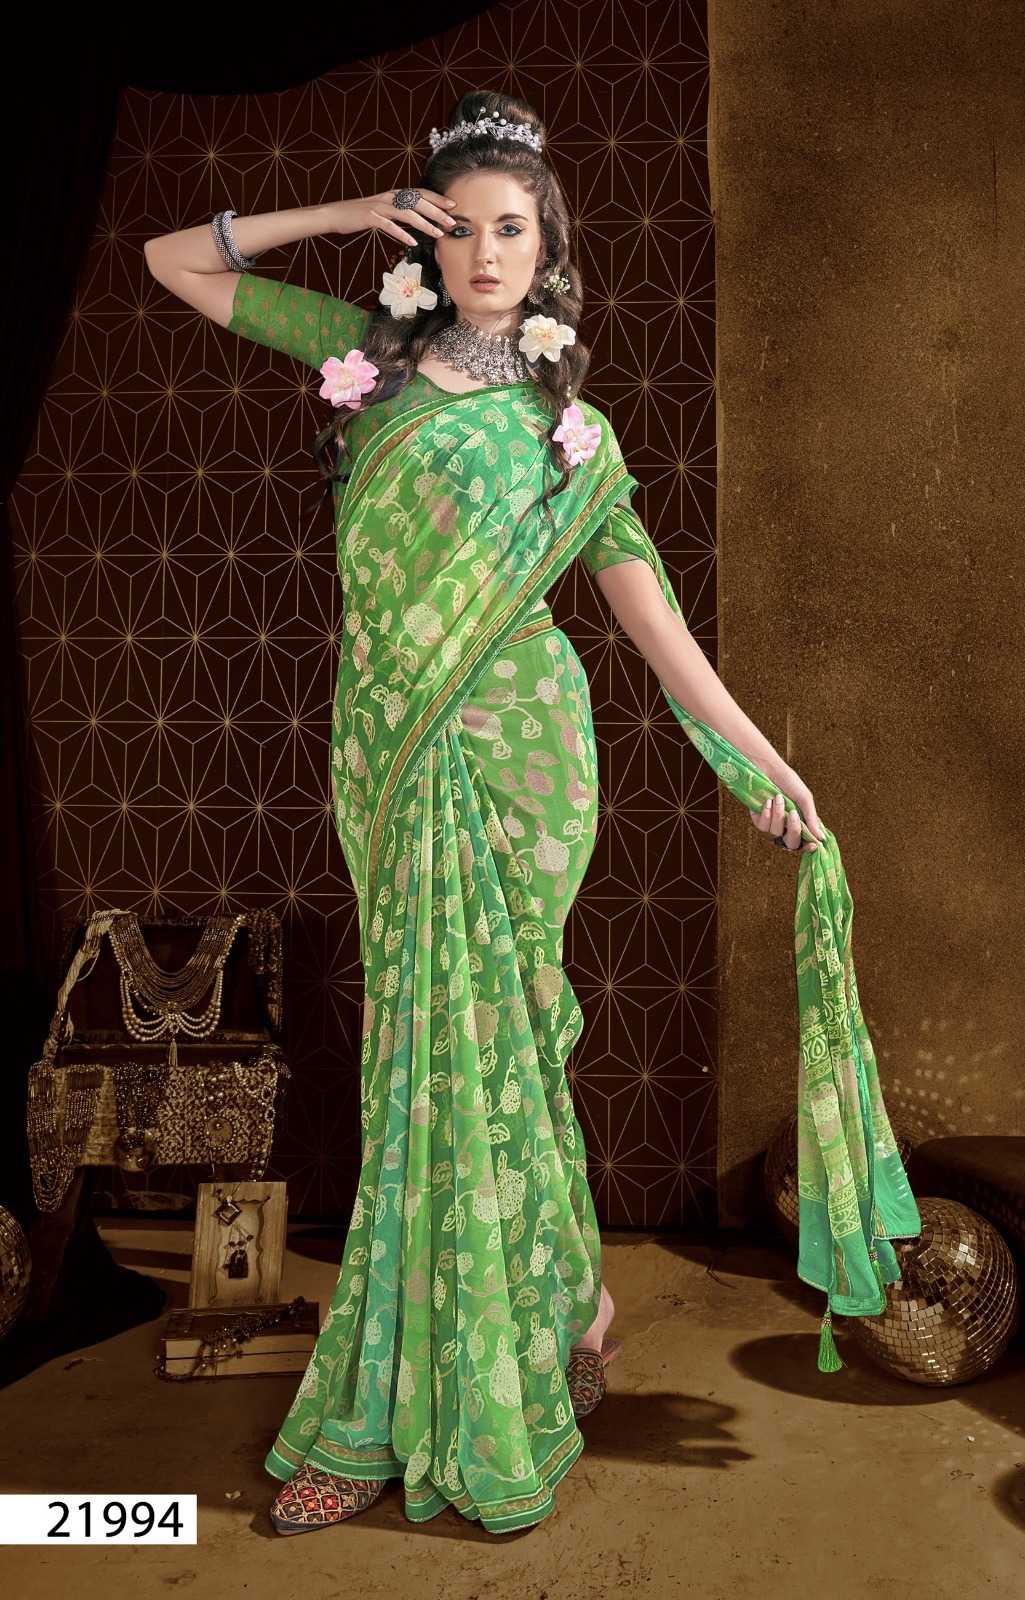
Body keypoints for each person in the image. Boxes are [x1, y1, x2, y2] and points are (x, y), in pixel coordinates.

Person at [144, 89, 917, 1538]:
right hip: (391, 754)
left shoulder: (573, 433)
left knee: (492, 1049)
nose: (488, 253)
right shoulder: (361, 363)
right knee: (422, 1059)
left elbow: (655, 631)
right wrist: (345, 213)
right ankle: (535, 1323)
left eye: (515, 230)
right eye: (460, 228)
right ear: (426, 242)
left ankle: (481, 1358)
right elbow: (170, 259)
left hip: (523, 760)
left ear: (549, 247)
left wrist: (760, 764)